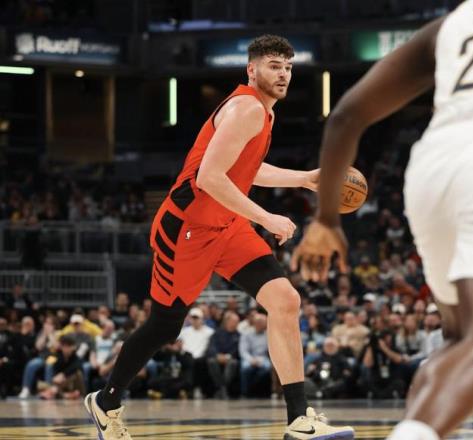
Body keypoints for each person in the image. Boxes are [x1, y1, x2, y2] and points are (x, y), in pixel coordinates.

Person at [85, 34, 354, 440]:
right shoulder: (246, 108)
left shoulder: (263, 112)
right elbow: (210, 177)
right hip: (186, 229)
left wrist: (303, 179)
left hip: (227, 226)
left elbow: (245, 168)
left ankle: (299, 419)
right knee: (164, 326)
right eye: (274, 66)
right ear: (252, 70)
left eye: (287, 67)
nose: (283, 74)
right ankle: (106, 402)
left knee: (285, 300)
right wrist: (266, 217)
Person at [291, 1, 473, 439]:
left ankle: (415, 429)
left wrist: (326, 218)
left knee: (460, 339)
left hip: (432, 166)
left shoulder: (453, 24)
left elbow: (346, 115)